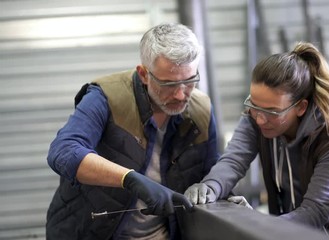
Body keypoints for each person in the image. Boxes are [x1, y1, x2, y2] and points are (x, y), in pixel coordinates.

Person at [46, 23, 220, 240]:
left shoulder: (201, 110)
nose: (180, 95)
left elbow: (214, 173)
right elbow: (63, 151)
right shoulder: (106, 98)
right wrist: (129, 179)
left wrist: (219, 191)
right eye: (168, 84)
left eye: (189, 81)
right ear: (144, 74)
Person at [185, 42, 329, 237]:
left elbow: (316, 211)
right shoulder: (256, 117)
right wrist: (210, 186)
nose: (260, 118)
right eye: (254, 105)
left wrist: (259, 222)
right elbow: (233, 161)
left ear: (301, 107)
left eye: (272, 111)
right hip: (291, 229)